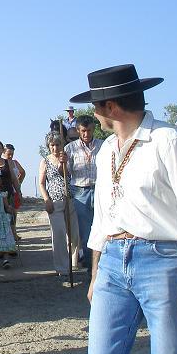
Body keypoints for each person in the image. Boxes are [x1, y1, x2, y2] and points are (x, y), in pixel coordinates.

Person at [70, 64, 177, 354]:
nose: (94, 115)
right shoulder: (106, 151)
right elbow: (103, 218)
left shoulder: (169, 140)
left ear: (110, 107)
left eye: (95, 106)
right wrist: (96, 274)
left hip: (163, 262)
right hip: (112, 262)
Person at [38, 132, 79, 281]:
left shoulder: (67, 158)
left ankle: (74, 263)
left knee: (74, 235)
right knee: (59, 234)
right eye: (52, 145)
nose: (55, 148)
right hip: (54, 202)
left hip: (70, 199)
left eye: (58, 144)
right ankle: (62, 268)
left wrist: (64, 163)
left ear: (62, 145)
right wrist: (46, 200)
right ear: (49, 146)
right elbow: (41, 183)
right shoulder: (45, 161)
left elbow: (69, 175)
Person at [64, 116, 102, 270]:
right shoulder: (70, 148)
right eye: (84, 131)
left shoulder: (103, 145)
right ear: (78, 131)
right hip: (80, 191)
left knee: (103, 228)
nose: (87, 134)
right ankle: (90, 267)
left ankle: (103, 265)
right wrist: (62, 163)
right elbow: (64, 173)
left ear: (94, 129)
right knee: (86, 232)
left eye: (90, 130)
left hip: (100, 189)